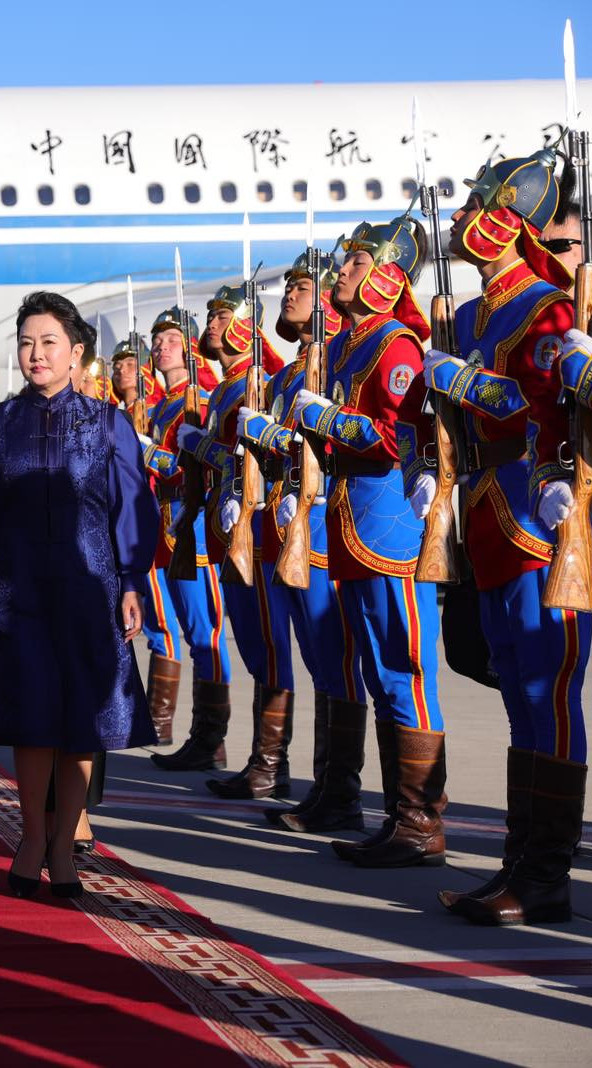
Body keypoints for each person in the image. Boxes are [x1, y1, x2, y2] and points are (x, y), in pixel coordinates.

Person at [0, 290, 157, 900]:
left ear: (77, 354)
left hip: (91, 585)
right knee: (31, 720)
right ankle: (31, 836)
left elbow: (131, 506)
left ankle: (65, 844)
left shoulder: (108, 422)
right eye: (27, 343)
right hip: (16, 589)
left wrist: (132, 581)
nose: (36, 354)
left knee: (83, 717)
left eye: (49, 343)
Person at [424, 149, 586, 925]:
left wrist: (458, 380)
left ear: (506, 222)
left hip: (535, 507)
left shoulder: (548, 306)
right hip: (489, 505)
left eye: (475, 206)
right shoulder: (481, 313)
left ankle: (547, 874)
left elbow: (537, 408)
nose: (459, 220)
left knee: (548, 689)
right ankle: (519, 863)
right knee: (518, 691)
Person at [290, 212, 444, 869]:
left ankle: (421, 824)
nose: (341, 274)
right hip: (351, 522)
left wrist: (327, 416)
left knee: (406, 671)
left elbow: (394, 437)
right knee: (381, 673)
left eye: (353, 264)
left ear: (383, 277)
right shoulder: (352, 346)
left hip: (388, 524)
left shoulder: (396, 346)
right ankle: (397, 817)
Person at [238, 252, 369, 832]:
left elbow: (354, 437)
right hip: (290, 520)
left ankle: (341, 791)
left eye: (301, 286)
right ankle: (325, 785)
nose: (289, 294)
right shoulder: (293, 371)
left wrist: (276, 435)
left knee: (336, 656)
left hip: (323, 522)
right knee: (319, 660)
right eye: (288, 285)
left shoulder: (339, 356)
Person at [178, 289, 294, 801]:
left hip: (254, 525)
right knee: (251, 641)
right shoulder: (225, 387)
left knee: (267, 642)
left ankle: (270, 763)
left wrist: (197, 444)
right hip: (227, 527)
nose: (213, 323)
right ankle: (260, 759)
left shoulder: (257, 382)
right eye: (212, 314)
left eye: (223, 315)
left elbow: (254, 456)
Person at [139, 307, 233, 763]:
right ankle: (202, 735)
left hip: (194, 519)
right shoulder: (162, 403)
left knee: (204, 629)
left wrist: (152, 454)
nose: (161, 347)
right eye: (157, 341)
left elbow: (195, 466)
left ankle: (211, 738)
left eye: (171, 339)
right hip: (168, 521)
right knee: (189, 627)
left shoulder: (205, 393)